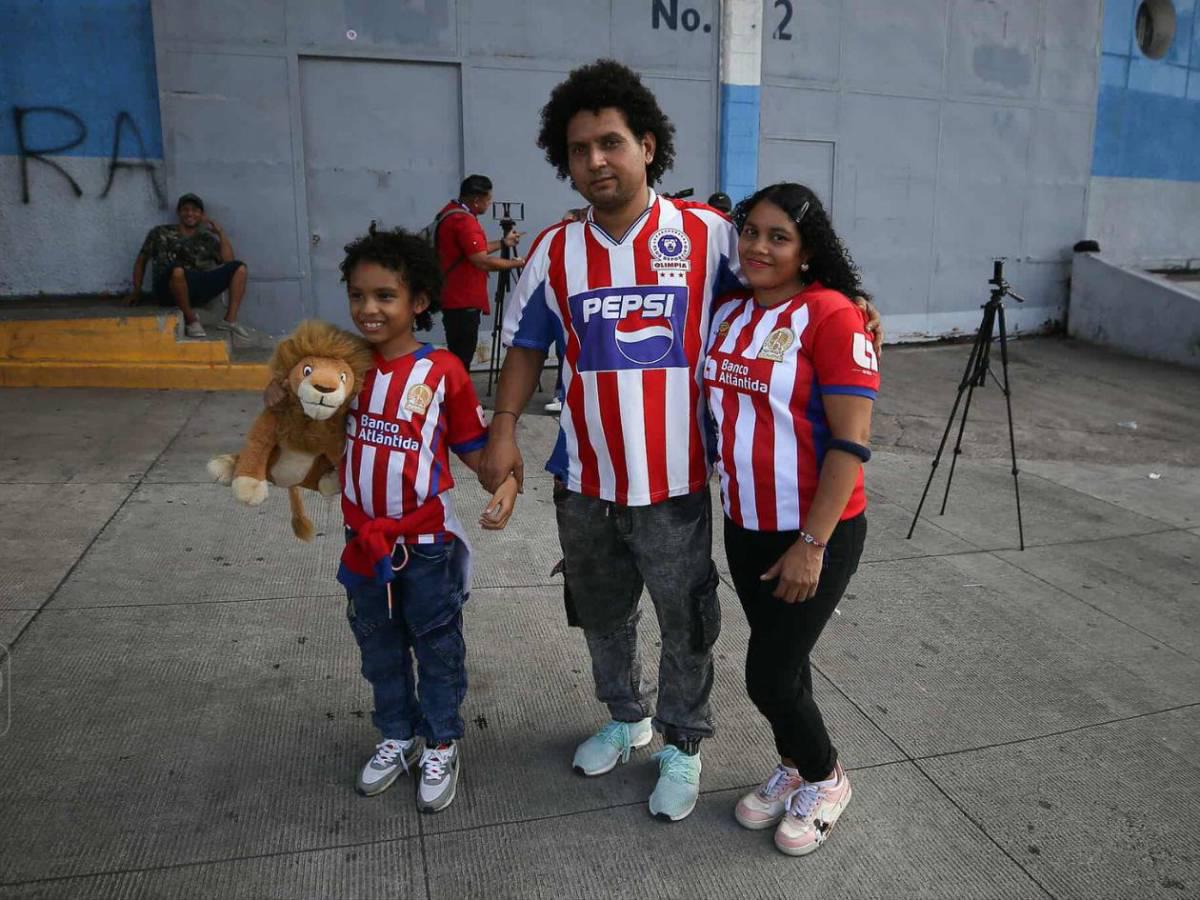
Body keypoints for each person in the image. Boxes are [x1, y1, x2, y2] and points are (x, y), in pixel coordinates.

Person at [478, 59, 882, 823]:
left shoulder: (710, 236)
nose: (594, 160)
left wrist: (853, 300)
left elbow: (788, 274)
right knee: (600, 613)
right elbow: (527, 348)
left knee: (686, 618)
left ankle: (682, 744)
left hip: (678, 483)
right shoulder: (554, 252)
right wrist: (504, 430)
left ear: (648, 146)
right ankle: (626, 717)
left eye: (610, 142)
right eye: (576, 149)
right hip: (586, 481)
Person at [707, 183, 878, 856]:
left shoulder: (833, 316)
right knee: (787, 660)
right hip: (745, 523)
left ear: (809, 251)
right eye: (750, 231)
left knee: (769, 674)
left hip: (813, 532)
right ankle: (796, 764)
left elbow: (850, 441)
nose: (757, 246)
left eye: (779, 236)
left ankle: (827, 775)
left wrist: (812, 543)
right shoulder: (730, 313)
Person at [336, 223, 518, 814]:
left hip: (427, 544)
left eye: (385, 296)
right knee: (378, 646)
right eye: (358, 295)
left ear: (418, 303)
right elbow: (305, 429)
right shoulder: (340, 366)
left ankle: (440, 739)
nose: (369, 309)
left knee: (437, 647)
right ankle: (396, 733)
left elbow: (471, 445)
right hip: (362, 541)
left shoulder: (442, 371)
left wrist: (507, 480)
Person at [434, 175, 526, 371]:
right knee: (462, 357)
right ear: (476, 200)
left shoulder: (451, 212)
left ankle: (458, 399)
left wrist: (503, 243)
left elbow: (475, 250)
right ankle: (459, 400)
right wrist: (516, 263)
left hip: (453, 296)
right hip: (463, 299)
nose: (489, 203)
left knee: (459, 354)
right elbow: (481, 260)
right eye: (488, 199)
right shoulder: (464, 222)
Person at [128, 193, 250, 339]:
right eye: (185, 209)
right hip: (167, 289)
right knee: (178, 270)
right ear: (179, 213)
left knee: (239, 268)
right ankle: (192, 321)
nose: (190, 213)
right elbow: (141, 260)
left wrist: (220, 233)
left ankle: (229, 320)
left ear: (201, 215)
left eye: (195, 210)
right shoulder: (160, 233)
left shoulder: (206, 239)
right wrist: (136, 290)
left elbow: (228, 261)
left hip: (195, 288)